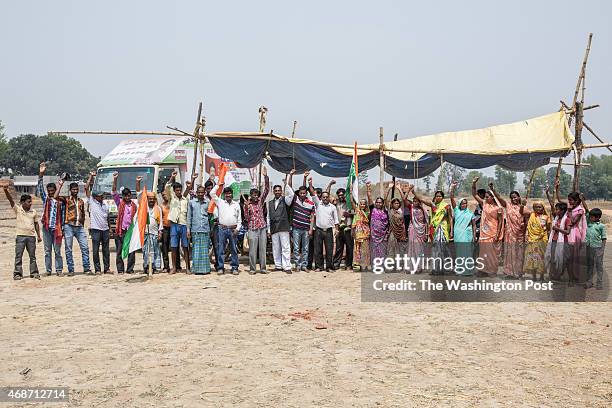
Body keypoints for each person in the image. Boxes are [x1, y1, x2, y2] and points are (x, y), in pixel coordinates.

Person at [55, 176, 91, 276]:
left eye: (76, 189)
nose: (75, 191)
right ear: (70, 190)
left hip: (79, 226)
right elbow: (55, 196)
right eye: (73, 189)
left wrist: (82, 223)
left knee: (85, 248)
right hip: (69, 226)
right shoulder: (66, 200)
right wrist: (60, 185)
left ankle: (87, 268)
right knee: (68, 249)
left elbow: (83, 213)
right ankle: (71, 270)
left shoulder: (81, 201)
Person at [413, 187, 453, 275]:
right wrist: (414, 192)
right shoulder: (433, 205)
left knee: (443, 249)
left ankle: (444, 269)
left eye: (440, 196)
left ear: (442, 197)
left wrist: (451, 231)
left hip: (443, 229)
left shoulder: (446, 206)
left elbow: (450, 218)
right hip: (434, 230)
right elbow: (422, 200)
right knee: (435, 249)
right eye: (437, 196)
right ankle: (436, 269)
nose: (438, 197)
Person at [4, 187, 41, 280]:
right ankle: (17, 274)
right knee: (18, 256)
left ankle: (34, 273)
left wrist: (39, 236)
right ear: (23, 202)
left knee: (32, 256)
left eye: (30, 201)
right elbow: (11, 200)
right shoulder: (18, 209)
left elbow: (36, 224)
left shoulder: (34, 211)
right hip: (20, 236)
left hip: (31, 237)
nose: (30, 203)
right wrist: (5, 191)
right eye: (29, 202)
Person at [491, 186, 527, 279]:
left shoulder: (523, 207)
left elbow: (527, 217)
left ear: (519, 197)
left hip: (519, 233)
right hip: (510, 233)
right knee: (510, 252)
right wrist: (493, 189)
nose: (514, 199)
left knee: (519, 253)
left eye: (515, 197)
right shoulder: (508, 205)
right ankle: (510, 272)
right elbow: (499, 198)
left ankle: (519, 272)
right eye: (512, 197)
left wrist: (523, 225)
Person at [472, 177, 503, 277]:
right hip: (484, 233)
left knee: (492, 253)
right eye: (485, 197)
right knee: (483, 252)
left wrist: (497, 234)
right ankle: (483, 270)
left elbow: (501, 222)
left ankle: (492, 270)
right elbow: (474, 194)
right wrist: (474, 183)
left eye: (487, 197)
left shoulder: (498, 208)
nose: (485, 198)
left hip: (493, 232)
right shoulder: (484, 204)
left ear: (493, 197)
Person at [37, 161, 64, 276]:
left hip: (57, 229)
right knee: (47, 251)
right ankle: (48, 271)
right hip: (46, 229)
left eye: (53, 191)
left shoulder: (60, 202)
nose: (51, 193)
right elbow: (40, 188)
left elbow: (62, 216)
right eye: (49, 191)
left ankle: (59, 270)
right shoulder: (45, 200)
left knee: (57, 251)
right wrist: (41, 175)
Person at [267, 169, 295, 273]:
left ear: (281, 191)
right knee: (276, 248)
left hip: (283, 227)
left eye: (279, 190)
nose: (277, 192)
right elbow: (268, 217)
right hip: (274, 228)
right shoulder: (270, 202)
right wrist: (269, 230)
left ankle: (287, 267)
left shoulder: (285, 200)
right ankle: (278, 266)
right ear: (273, 192)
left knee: (285, 247)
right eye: (276, 190)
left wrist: (286, 183)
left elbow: (291, 194)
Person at [308, 177, 339, 271]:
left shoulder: (332, 207)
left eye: (327, 197)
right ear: (321, 198)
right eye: (323, 197)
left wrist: (337, 229)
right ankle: (319, 267)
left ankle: (329, 267)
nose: (325, 198)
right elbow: (313, 193)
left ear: (329, 198)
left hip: (329, 231)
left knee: (329, 250)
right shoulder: (318, 204)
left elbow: (336, 220)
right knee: (318, 250)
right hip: (318, 230)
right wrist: (310, 184)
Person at [243, 168, 269, 274]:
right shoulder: (248, 205)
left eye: (257, 194)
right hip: (252, 228)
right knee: (252, 250)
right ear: (251, 195)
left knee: (262, 249)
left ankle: (263, 268)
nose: (256, 196)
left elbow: (266, 190)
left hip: (262, 228)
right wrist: (246, 208)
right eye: (254, 194)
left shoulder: (260, 202)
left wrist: (265, 177)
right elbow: (246, 218)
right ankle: (252, 269)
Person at [211, 186, 242, 275]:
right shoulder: (220, 202)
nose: (228, 195)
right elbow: (212, 193)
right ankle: (221, 267)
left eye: (229, 193)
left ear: (232, 194)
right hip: (222, 229)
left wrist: (237, 229)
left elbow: (239, 219)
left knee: (233, 250)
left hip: (233, 230)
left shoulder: (236, 204)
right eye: (226, 193)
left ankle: (234, 267)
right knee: (221, 249)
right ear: (224, 195)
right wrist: (218, 185)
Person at [165, 171, 190, 273]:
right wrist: (172, 177)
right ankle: (174, 267)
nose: (179, 192)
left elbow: (188, 214)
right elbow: (167, 187)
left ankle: (188, 267)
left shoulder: (185, 200)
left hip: (183, 225)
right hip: (174, 225)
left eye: (180, 190)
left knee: (185, 247)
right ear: (174, 191)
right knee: (174, 247)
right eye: (177, 190)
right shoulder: (172, 199)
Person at [85, 171, 110, 274]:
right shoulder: (92, 202)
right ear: (95, 197)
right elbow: (86, 188)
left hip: (105, 230)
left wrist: (109, 228)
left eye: (102, 195)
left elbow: (107, 217)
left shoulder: (105, 205)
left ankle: (107, 268)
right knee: (95, 251)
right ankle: (98, 269)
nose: (101, 197)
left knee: (106, 251)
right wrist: (91, 176)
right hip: (95, 230)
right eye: (100, 196)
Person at [112, 172, 137, 273]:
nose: (127, 197)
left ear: (131, 195)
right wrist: (115, 179)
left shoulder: (134, 206)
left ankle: (130, 269)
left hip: (131, 231)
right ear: (123, 196)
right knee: (119, 251)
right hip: (121, 231)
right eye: (125, 196)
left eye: (129, 196)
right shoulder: (120, 204)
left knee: (131, 251)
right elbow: (114, 192)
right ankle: (120, 269)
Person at [450, 181, 475, 276]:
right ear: (460, 204)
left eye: (465, 203)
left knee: (468, 252)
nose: (464, 205)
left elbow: (473, 225)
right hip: (458, 234)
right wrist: (452, 188)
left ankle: (468, 270)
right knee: (459, 252)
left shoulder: (470, 213)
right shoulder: (456, 211)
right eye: (462, 203)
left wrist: (474, 235)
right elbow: (451, 198)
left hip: (467, 234)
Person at [403, 184, 429, 273]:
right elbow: (404, 200)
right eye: (413, 201)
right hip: (413, 230)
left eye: (417, 201)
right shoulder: (411, 208)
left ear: (420, 202)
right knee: (412, 248)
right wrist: (409, 190)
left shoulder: (423, 210)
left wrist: (426, 233)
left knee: (419, 249)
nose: (415, 202)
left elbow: (426, 223)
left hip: (421, 231)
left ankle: (419, 267)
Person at [523, 200, 551, 282]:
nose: (537, 208)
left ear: (543, 208)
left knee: (541, 258)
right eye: (535, 207)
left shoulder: (546, 217)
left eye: (539, 207)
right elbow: (528, 227)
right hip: (532, 240)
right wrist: (527, 236)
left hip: (542, 240)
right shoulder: (531, 216)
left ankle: (541, 276)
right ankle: (534, 276)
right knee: (533, 258)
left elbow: (548, 229)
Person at [187, 185, 212, 275]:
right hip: (195, 229)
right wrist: (188, 230)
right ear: (196, 193)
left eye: (202, 192)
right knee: (196, 250)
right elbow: (189, 217)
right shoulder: (191, 202)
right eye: (199, 192)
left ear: (204, 193)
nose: (201, 194)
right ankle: (196, 269)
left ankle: (205, 269)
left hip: (205, 229)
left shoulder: (208, 202)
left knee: (205, 251)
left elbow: (210, 216)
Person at [291, 184, 315, 272]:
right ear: (299, 193)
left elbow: (312, 217)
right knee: (296, 248)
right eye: (300, 193)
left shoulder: (311, 204)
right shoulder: (296, 200)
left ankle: (304, 265)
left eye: (304, 193)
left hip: (306, 229)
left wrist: (311, 229)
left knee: (305, 248)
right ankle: (297, 265)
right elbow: (290, 187)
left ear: (306, 193)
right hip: (296, 228)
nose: (302, 195)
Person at [583, 203, 606, 290]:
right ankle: (589, 282)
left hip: (598, 248)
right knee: (589, 265)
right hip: (589, 247)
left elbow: (604, 238)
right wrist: (582, 200)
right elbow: (587, 210)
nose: (590, 217)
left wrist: (602, 250)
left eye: (592, 217)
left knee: (599, 266)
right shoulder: (589, 222)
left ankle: (599, 283)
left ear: (597, 217)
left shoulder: (601, 226)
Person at [366, 182, 390, 266]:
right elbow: (369, 197)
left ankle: (382, 266)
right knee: (374, 250)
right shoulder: (373, 209)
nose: (378, 204)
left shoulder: (386, 212)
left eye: (380, 202)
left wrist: (388, 188)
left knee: (383, 251)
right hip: (373, 235)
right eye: (377, 202)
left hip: (383, 235)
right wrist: (368, 188)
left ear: (383, 204)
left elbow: (386, 199)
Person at [386, 182, 408, 268]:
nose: (396, 204)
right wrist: (389, 188)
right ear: (392, 204)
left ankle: (400, 265)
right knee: (392, 248)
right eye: (395, 203)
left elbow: (403, 199)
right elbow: (385, 199)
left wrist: (399, 188)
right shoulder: (390, 210)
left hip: (401, 233)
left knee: (401, 248)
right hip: (392, 232)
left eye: (398, 203)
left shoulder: (401, 210)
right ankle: (391, 265)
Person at [333, 187, 355, 270]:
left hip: (348, 227)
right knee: (339, 247)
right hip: (339, 227)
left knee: (349, 247)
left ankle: (348, 264)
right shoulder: (337, 203)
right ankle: (336, 264)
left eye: (342, 195)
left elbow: (355, 212)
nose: (341, 197)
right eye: (339, 195)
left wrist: (349, 214)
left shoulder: (350, 203)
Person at [142, 188, 163, 274]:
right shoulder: (144, 209)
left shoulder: (158, 208)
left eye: (152, 199)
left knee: (156, 251)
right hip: (145, 233)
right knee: (146, 251)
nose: (151, 200)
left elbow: (160, 221)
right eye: (149, 199)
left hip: (154, 233)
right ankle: (146, 266)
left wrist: (160, 232)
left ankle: (156, 267)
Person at [352, 194, 371, 271]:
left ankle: (365, 266)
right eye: (361, 204)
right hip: (358, 233)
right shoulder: (357, 211)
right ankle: (358, 265)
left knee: (365, 250)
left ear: (366, 205)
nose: (362, 205)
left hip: (365, 233)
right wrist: (350, 192)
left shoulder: (368, 212)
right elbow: (352, 202)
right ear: (359, 204)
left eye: (364, 204)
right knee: (357, 249)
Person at [160, 191, 172, 272]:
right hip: (165, 228)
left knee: (175, 247)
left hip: (173, 227)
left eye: (165, 194)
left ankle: (177, 266)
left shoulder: (173, 204)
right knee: (165, 247)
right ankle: (166, 266)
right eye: (163, 195)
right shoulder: (161, 206)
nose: (164, 196)